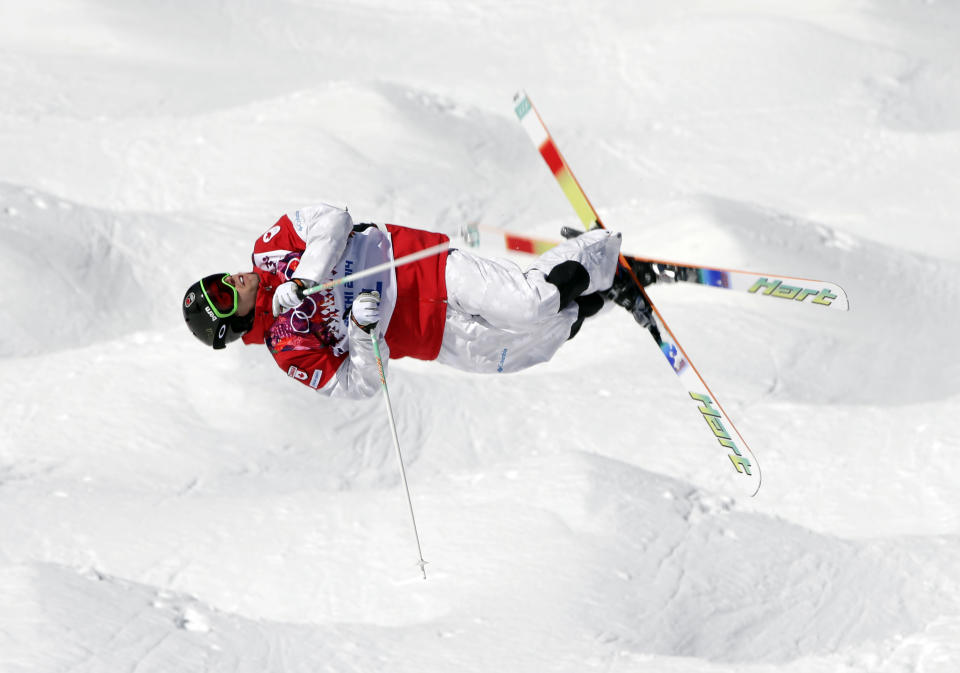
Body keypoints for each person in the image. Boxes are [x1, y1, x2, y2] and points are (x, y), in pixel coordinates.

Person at [182, 203, 639, 399]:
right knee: (523, 350)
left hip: (417, 267)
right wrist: (362, 336)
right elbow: (360, 385)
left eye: (218, 278)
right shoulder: (288, 349)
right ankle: (600, 294)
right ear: (233, 324)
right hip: (428, 335)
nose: (232, 279)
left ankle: (601, 252)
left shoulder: (270, 251)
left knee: (529, 304)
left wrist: (304, 277)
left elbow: (333, 219)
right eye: (223, 294)